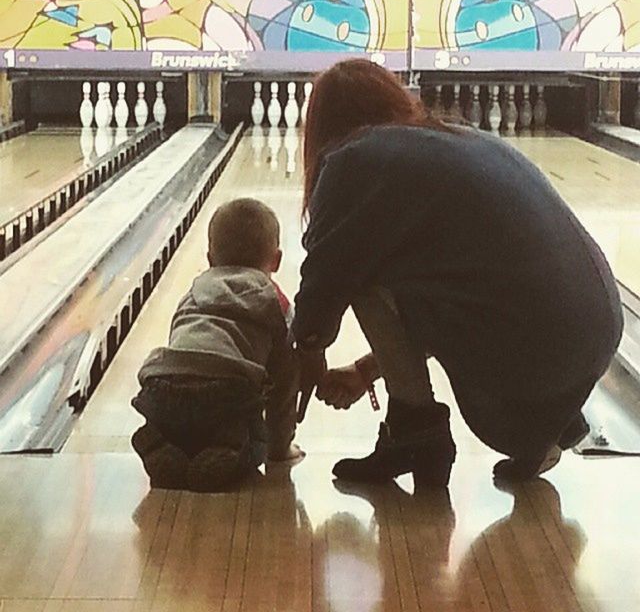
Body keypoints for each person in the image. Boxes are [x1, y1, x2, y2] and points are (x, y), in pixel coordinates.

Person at [292, 59, 623, 484]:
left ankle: (415, 430)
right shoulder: (467, 137)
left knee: (361, 270)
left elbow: (327, 275)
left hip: (533, 345)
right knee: (428, 269)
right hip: (597, 331)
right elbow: (460, 288)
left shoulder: (351, 160)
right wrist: (365, 370)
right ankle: (554, 426)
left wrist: (307, 349)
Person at [131, 198, 303, 492]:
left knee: (179, 419)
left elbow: (179, 339)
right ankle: (233, 448)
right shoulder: (276, 301)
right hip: (228, 394)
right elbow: (285, 383)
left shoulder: (194, 291)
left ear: (210, 258)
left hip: (162, 388)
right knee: (250, 432)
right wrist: (279, 447)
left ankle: (159, 440)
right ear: (276, 260)